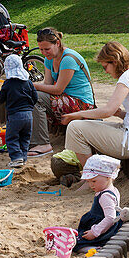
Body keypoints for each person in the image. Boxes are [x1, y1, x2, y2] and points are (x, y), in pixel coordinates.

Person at [60, 41, 129, 172]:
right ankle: (95, 173)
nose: (105, 72)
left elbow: (107, 111)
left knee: (75, 128)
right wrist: (119, 114)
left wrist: (77, 114)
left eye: (105, 67)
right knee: (85, 125)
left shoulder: (127, 77)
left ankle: (92, 176)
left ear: (115, 62)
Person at [28, 27, 95, 159]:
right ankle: (31, 140)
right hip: (64, 98)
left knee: (35, 97)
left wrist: (31, 86)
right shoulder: (49, 58)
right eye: (41, 49)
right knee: (28, 96)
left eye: (47, 49)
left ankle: (43, 144)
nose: (44, 52)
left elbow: (58, 89)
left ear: (57, 43)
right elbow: (47, 84)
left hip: (81, 103)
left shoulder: (68, 59)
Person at [72, 154, 124, 252]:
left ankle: (93, 248)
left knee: (76, 244)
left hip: (102, 229)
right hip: (104, 227)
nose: (91, 185)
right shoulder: (113, 190)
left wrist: (95, 232)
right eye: (88, 181)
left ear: (108, 177)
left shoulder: (105, 196)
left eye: (94, 181)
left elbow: (110, 217)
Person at [0, 54, 37, 169]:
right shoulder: (28, 82)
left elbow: (1, 99)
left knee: (11, 137)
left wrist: (0, 99)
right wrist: (29, 107)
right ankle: (23, 157)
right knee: (25, 137)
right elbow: (35, 97)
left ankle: (16, 157)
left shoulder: (8, 84)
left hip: (15, 116)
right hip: (29, 116)